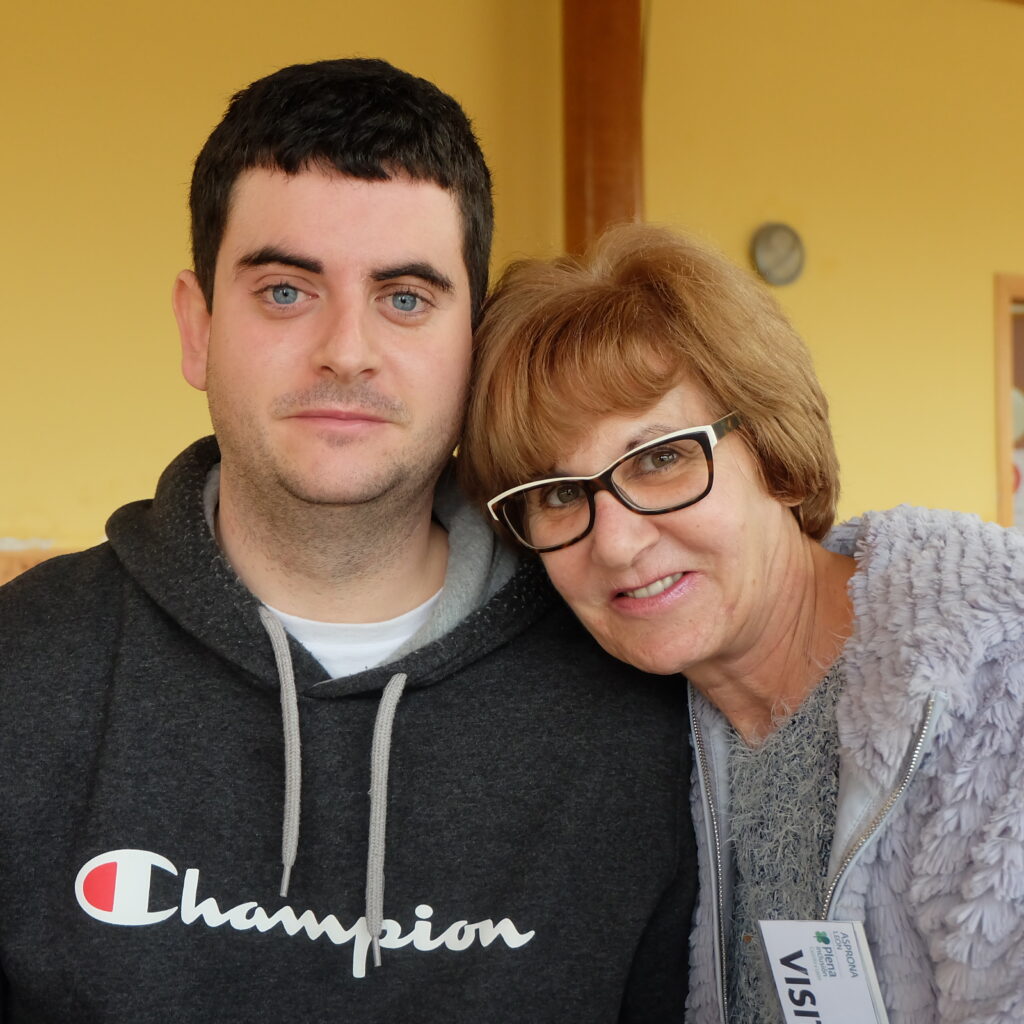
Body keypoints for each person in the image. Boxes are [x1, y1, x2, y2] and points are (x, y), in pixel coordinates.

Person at [0, 62, 696, 1022]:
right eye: (286, 291)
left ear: (475, 342)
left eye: (405, 298)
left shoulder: (642, 707)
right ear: (198, 328)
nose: (347, 350)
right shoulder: (22, 666)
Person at [460, 222, 1024, 1024]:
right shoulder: (650, 729)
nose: (615, 543)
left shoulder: (997, 686)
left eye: (661, 458)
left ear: (778, 456)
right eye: (558, 494)